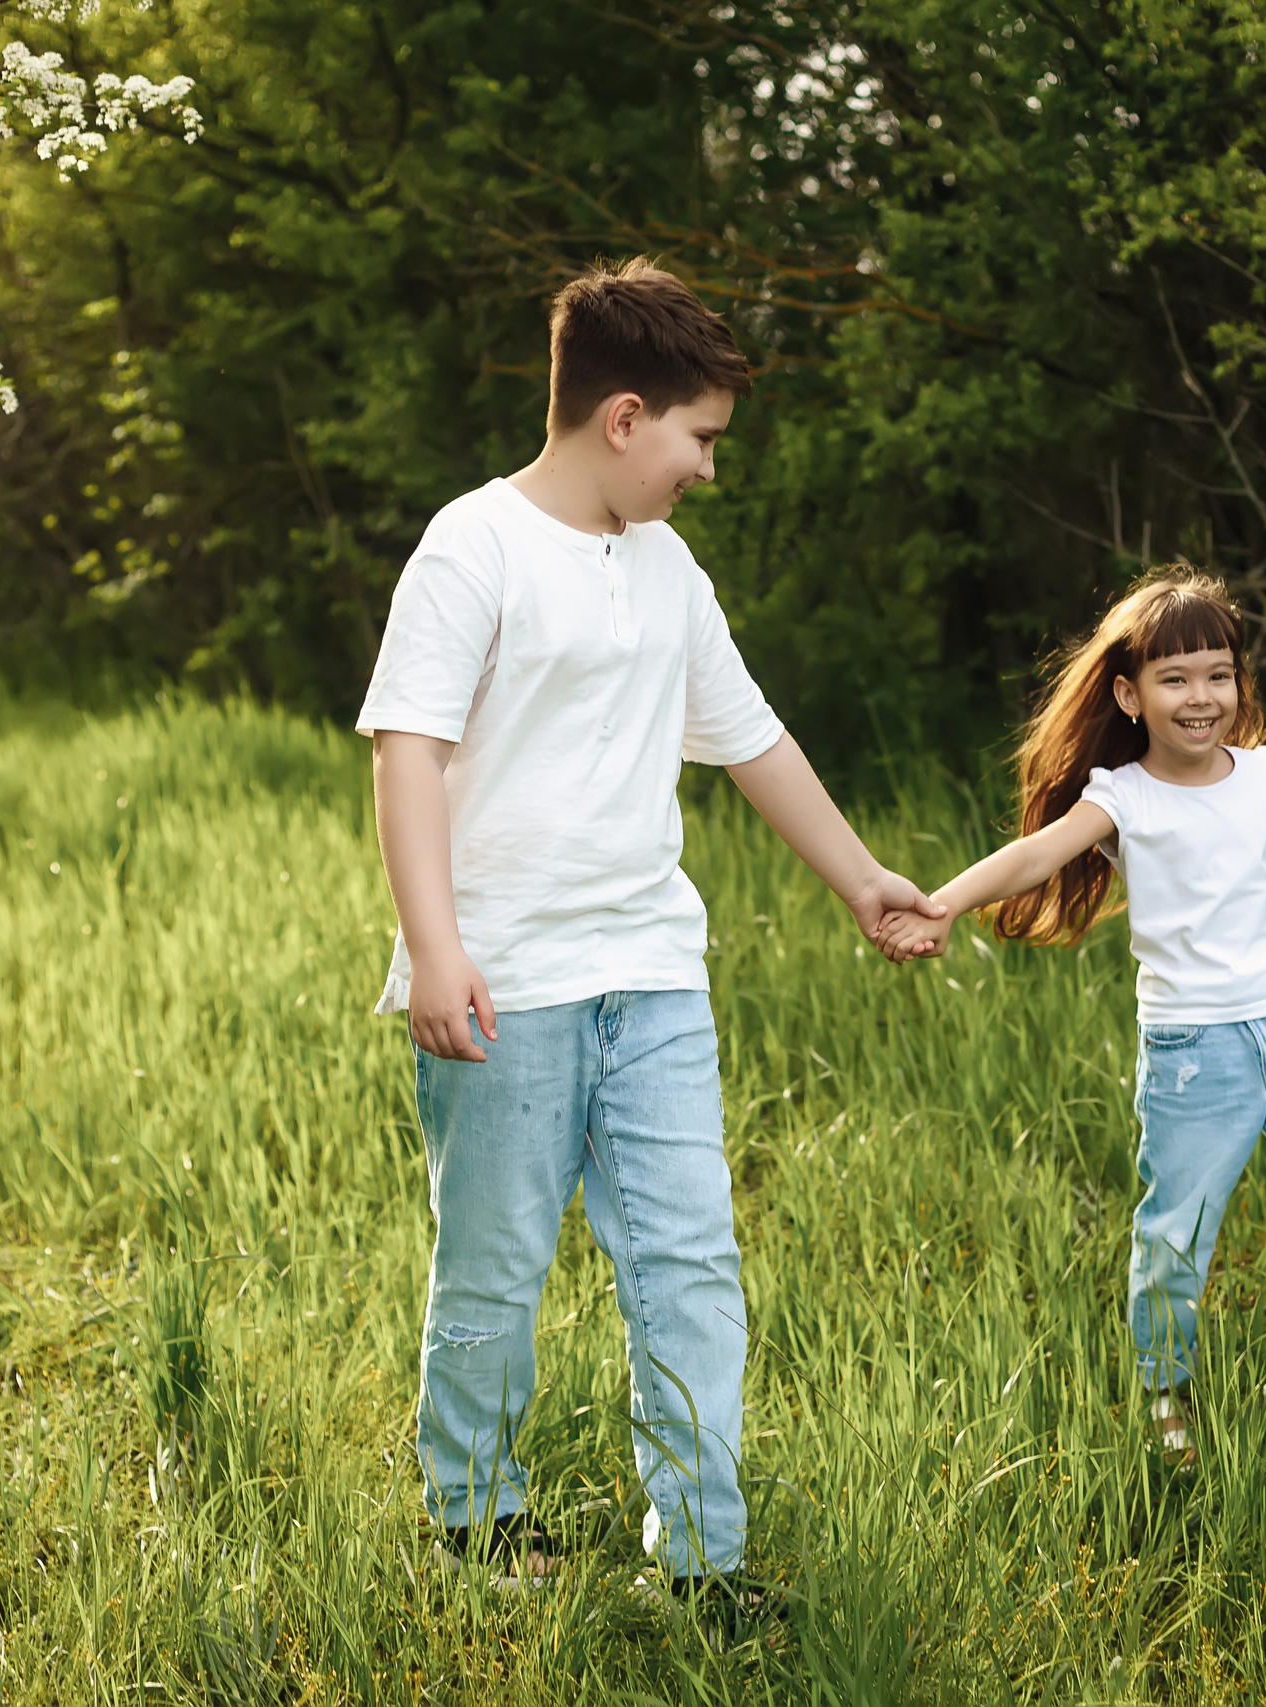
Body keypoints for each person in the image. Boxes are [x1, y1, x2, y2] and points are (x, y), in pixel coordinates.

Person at [358, 259, 942, 1609]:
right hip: (506, 982)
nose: (708, 469)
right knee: (494, 1262)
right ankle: (474, 1522)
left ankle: (699, 1558)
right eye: (700, 437)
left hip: (653, 976)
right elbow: (407, 751)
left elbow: (750, 737)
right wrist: (434, 948)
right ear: (624, 417)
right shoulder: (474, 547)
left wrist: (862, 880)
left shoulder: (667, 568)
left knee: (690, 1258)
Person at [877, 569, 1266, 1461]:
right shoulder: (1124, 796)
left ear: (1239, 684)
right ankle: (1165, 1387)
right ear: (1130, 693)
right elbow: (1034, 854)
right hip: (1196, 1053)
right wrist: (943, 903)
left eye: (1218, 674)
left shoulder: (1264, 774)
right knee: (1180, 1232)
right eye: (1176, 678)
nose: (1201, 696)